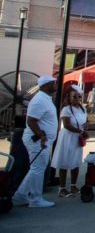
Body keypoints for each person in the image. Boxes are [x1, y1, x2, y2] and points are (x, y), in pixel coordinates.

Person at [12, 76, 59, 208]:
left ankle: (20, 195)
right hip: (38, 140)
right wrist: (41, 136)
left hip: (42, 140)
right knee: (37, 168)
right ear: (45, 85)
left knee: (36, 168)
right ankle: (35, 199)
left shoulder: (45, 99)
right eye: (53, 83)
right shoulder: (40, 100)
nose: (55, 85)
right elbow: (31, 120)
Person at [51, 84, 89, 198]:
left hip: (78, 137)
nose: (77, 99)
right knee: (65, 161)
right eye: (74, 97)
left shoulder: (83, 109)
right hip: (68, 137)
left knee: (76, 161)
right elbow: (67, 125)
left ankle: (73, 185)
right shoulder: (66, 109)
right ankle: (62, 188)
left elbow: (87, 121)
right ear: (69, 97)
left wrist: (86, 126)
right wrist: (80, 131)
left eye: (78, 97)